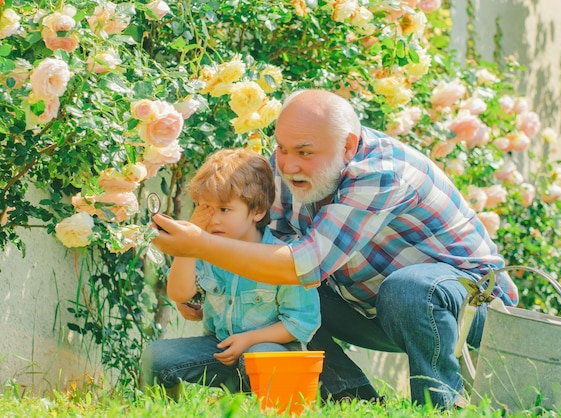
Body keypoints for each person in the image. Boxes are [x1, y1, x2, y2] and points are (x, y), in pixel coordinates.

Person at [151, 89, 519, 409]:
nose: (288, 164)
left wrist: (201, 244)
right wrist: (205, 283)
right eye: (281, 148)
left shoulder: (382, 172)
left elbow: (303, 264)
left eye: (305, 152)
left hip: (465, 310)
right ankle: (351, 397)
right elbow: (263, 250)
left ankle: (440, 403)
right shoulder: (289, 170)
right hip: (373, 307)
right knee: (284, 286)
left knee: (407, 288)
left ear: (348, 146)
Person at [142, 148, 321, 398]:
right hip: (221, 350)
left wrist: (248, 340)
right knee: (156, 356)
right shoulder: (207, 249)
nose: (213, 219)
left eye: (224, 210)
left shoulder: (280, 258)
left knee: (262, 355)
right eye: (205, 208)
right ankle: (161, 412)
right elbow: (179, 293)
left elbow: (302, 324)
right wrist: (189, 244)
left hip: (270, 353)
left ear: (257, 211)